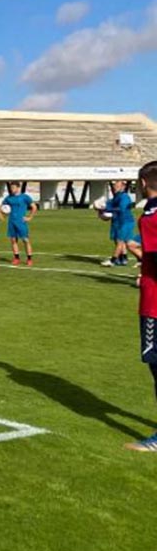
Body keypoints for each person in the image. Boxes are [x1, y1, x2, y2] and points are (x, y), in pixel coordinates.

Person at [127, 162, 157, 451]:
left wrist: (147, 268)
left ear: (144, 183)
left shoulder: (150, 215)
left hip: (155, 303)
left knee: (156, 364)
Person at [102, 180, 142, 267]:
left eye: (117, 186)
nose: (114, 188)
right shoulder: (115, 197)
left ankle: (113, 260)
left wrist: (108, 210)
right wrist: (101, 208)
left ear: (123, 187)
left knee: (121, 241)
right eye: (114, 186)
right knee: (122, 241)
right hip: (117, 221)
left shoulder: (124, 197)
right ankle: (127, 259)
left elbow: (121, 209)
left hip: (125, 222)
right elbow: (108, 206)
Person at [1, 182, 37, 267]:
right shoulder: (9, 198)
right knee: (13, 240)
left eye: (13, 187)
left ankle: (29, 259)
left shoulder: (24, 197)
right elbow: (2, 207)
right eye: (11, 187)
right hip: (11, 222)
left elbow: (34, 207)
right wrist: (3, 214)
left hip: (21, 222)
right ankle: (16, 258)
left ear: (18, 188)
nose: (12, 189)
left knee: (25, 240)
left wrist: (29, 217)